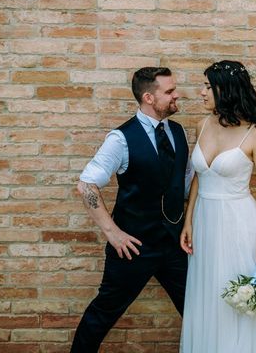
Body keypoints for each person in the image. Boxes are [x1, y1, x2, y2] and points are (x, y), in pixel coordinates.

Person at [71, 67, 190, 353]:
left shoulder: (178, 131)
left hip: (174, 246)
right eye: (170, 91)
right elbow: (86, 185)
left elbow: (182, 185)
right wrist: (113, 233)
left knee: (198, 310)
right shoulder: (121, 138)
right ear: (149, 97)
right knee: (103, 314)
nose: (177, 95)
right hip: (133, 247)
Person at [179, 60, 256, 353]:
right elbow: (199, 179)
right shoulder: (202, 125)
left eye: (207, 86)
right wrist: (188, 221)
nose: (201, 92)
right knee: (209, 295)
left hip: (239, 223)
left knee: (240, 297)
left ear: (224, 90)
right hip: (205, 221)